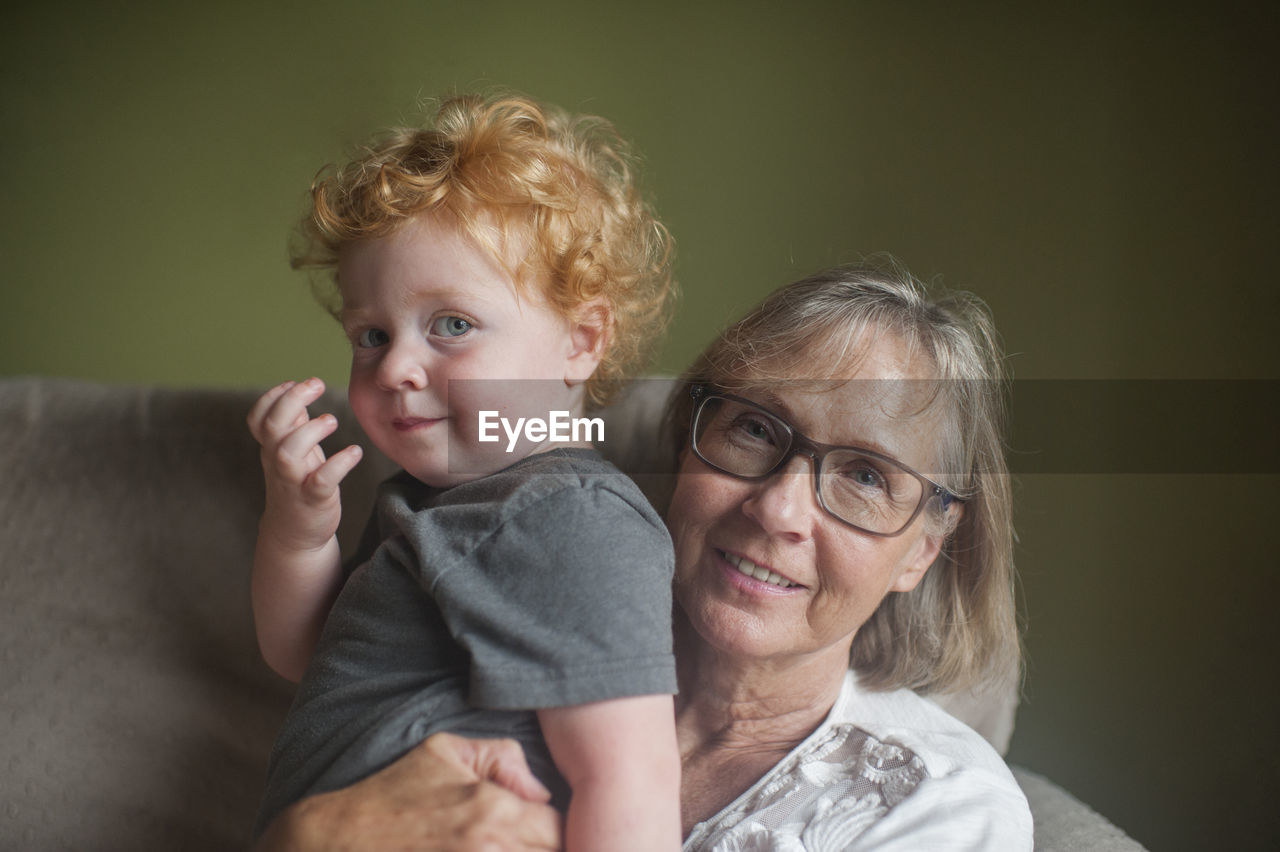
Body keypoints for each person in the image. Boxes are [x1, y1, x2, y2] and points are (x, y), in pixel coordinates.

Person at [255, 258, 1033, 850]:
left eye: (866, 476)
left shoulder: (943, 807)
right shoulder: (495, 616)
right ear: (688, 439)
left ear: (921, 552)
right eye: (756, 429)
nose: (778, 509)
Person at [246, 93, 682, 850]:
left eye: (452, 325)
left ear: (582, 340)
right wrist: (297, 532)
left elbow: (632, 777)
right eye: (371, 335)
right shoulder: (425, 504)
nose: (396, 367)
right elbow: (300, 655)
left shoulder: (573, 516)